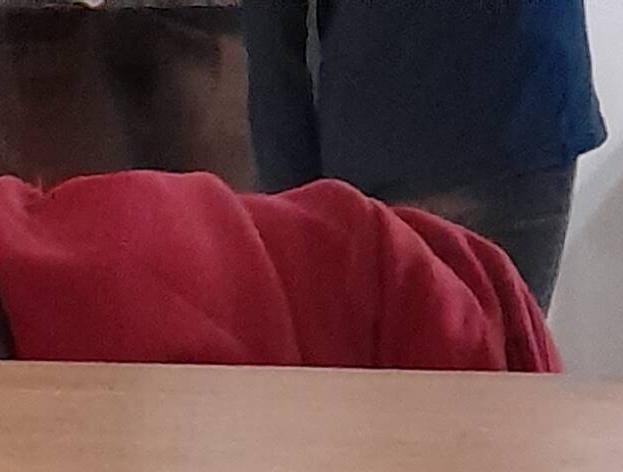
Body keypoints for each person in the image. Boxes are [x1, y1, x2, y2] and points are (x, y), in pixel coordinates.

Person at [241, 0, 602, 307]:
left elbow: (271, 36)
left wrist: (291, 205)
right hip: (520, 107)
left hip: (406, 123)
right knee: (501, 376)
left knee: (382, 381)